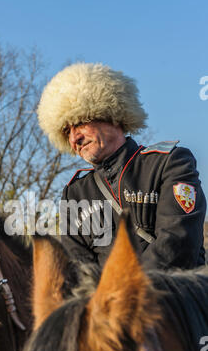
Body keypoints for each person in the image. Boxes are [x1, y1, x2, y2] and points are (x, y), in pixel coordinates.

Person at [37, 62, 206, 269]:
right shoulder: (75, 193)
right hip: (106, 300)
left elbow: (178, 243)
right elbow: (79, 268)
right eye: (66, 131)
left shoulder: (168, 163)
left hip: (174, 297)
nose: (75, 138)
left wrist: (126, 291)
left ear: (112, 114)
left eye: (80, 122)